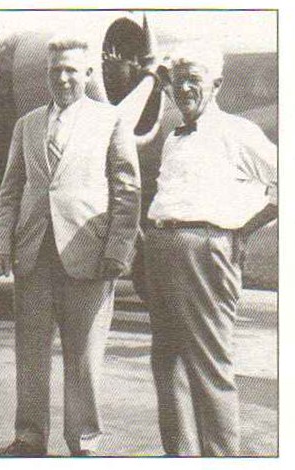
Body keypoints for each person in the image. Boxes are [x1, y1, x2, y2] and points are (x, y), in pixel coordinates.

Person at [0, 35, 141, 456]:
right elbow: (11, 190)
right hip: (34, 253)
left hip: (88, 254)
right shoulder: (28, 124)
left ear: (88, 74)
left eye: (72, 70)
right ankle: (29, 436)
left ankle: (85, 441)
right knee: (30, 351)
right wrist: (3, 241)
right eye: (56, 70)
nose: (63, 77)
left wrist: (118, 248)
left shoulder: (110, 120)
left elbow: (127, 190)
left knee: (85, 357)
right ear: (47, 75)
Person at [144, 44, 277, 457]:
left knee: (209, 364)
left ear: (216, 84)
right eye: (177, 80)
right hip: (162, 247)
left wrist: (245, 231)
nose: (183, 88)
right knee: (166, 361)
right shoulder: (172, 137)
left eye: (194, 80)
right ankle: (181, 455)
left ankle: (222, 457)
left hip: (207, 247)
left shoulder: (238, 132)